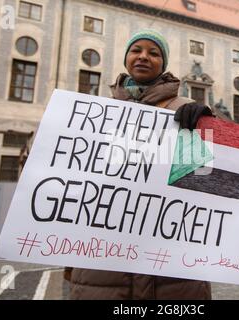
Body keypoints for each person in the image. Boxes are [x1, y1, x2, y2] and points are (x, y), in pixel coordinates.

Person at [64, 30, 213, 300]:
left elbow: (205, 181)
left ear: (163, 63)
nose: (143, 56)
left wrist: (207, 128)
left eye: (154, 53)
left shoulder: (185, 110)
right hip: (102, 265)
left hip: (172, 270)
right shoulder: (94, 112)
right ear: (126, 58)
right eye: (136, 50)